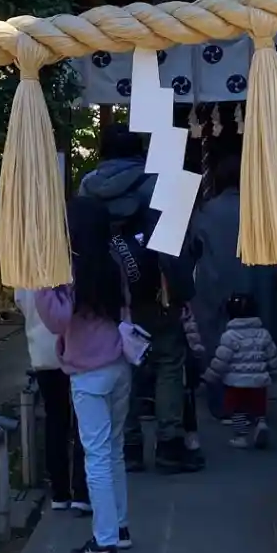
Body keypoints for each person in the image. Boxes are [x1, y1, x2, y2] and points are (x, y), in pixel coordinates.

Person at [82, 123, 197, 474]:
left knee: (121, 362)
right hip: (155, 289)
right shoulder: (159, 184)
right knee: (168, 361)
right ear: (139, 151)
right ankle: (169, 444)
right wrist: (182, 292)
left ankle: (129, 445)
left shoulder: (86, 187)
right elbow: (177, 245)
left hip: (105, 295)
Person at [36, 197, 133, 553]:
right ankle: (119, 527)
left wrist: (44, 284)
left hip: (89, 372)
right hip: (119, 363)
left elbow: (57, 321)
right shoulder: (113, 263)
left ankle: (104, 543)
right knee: (114, 448)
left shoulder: (70, 269)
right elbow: (125, 308)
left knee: (97, 456)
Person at [189, 150, 277, 432]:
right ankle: (255, 408)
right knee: (257, 343)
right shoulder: (261, 212)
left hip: (216, 285)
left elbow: (193, 249)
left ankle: (222, 403)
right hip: (257, 281)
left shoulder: (206, 212)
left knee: (218, 343)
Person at [15, 287, 89, 513]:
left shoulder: (26, 272)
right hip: (74, 347)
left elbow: (20, 300)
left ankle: (59, 491)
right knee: (83, 419)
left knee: (55, 419)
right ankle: (81, 490)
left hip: (41, 350)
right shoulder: (70, 268)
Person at [202, 290, 277, 449]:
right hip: (259, 382)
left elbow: (221, 361)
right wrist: (276, 372)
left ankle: (241, 437)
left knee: (237, 410)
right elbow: (272, 357)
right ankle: (261, 424)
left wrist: (210, 376)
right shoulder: (263, 334)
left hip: (236, 384)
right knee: (259, 407)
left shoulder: (229, 336)